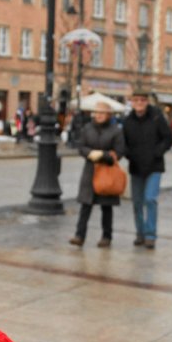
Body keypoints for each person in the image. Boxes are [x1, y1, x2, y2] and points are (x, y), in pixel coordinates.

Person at [121, 91, 172, 249]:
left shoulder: (156, 117)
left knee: (150, 199)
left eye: (142, 100)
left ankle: (150, 234)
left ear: (147, 102)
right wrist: (128, 154)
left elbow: (168, 138)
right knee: (137, 202)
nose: (139, 103)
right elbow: (123, 142)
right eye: (136, 100)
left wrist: (158, 152)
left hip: (154, 166)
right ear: (131, 102)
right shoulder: (128, 121)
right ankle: (140, 233)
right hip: (136, 166)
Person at [70, 104, 127, 247]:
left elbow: (119, 152)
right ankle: (79, 235)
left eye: (102, 113)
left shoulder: (116, 131)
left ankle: (106, 237)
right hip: (90, 170)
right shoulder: (87, 128)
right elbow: (81, 146)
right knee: (85, 206)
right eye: (96, 112)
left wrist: (104, 155)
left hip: (107, 172)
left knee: (106, 207)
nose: (99, 115)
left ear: (109, 115)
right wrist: (89, 153)